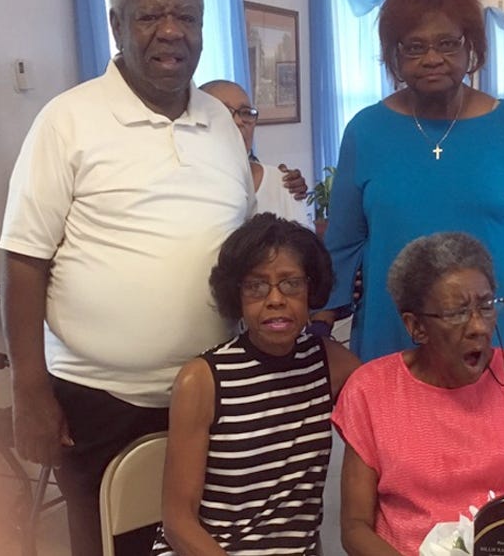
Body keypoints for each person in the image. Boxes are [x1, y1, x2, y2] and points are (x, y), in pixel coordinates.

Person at [0, 0, 256, 556]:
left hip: (212, 391)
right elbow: (23, 260)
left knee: (204, 538)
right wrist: (29, 391)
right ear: (116, 25)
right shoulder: (67, 120)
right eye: (151, 16)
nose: (171, 31)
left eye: (187, 18)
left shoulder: (220, 121)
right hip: (96, 400)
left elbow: (237, 243)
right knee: (112, 542)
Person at [317, 0, 504, 389]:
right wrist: (322, 332)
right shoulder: (365, 131)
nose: (431, 58)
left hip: (501, 332)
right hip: (397, 330)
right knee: (403, 447)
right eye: (414, 47)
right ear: (394, 58)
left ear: (471, 47)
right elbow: (344, 242)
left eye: (447, 43)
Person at [333, 232, 504, 555]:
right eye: (456, 313)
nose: (479, 327)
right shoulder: (370, 392)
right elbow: (354, 527)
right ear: (416, 327)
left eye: (486, 307)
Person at [152, 213, 359, 555]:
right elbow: (178, 522)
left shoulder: (330, 364)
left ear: (311, 289)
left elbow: (387, 404)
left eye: (291, 283)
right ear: (237, 295)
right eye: (256, 286)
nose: (275, 299)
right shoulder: (203, 380)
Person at [200, 80, 311, 225]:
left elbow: (304, 244)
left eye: (246, 113)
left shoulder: (283, 183)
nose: (239, 121)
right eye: (225, 111)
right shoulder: (187, 185)